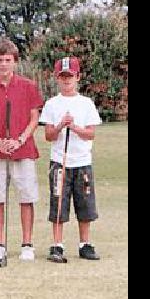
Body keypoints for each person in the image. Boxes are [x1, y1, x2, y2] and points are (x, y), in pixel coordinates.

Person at [0, 38, 44, 266]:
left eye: (7, 60)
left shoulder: (28, 86)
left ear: (15, 62)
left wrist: (20, 139)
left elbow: (35, 118)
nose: (3, 64)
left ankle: (27, 244)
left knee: (26, 197)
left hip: (23, 150)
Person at [38, 56, 103, 263]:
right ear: (57, 78)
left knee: (85, 204)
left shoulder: (86, 103)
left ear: (78, 77)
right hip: (60, 162)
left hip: (82, 162)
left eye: (70, 76)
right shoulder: (52, 104)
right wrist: (60, 126)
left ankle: (85, 244)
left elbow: (91, 133)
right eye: (63, 76)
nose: (66, 80)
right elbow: (48, 135)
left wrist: (74, 127)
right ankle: (57, 244)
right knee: (59, 202)